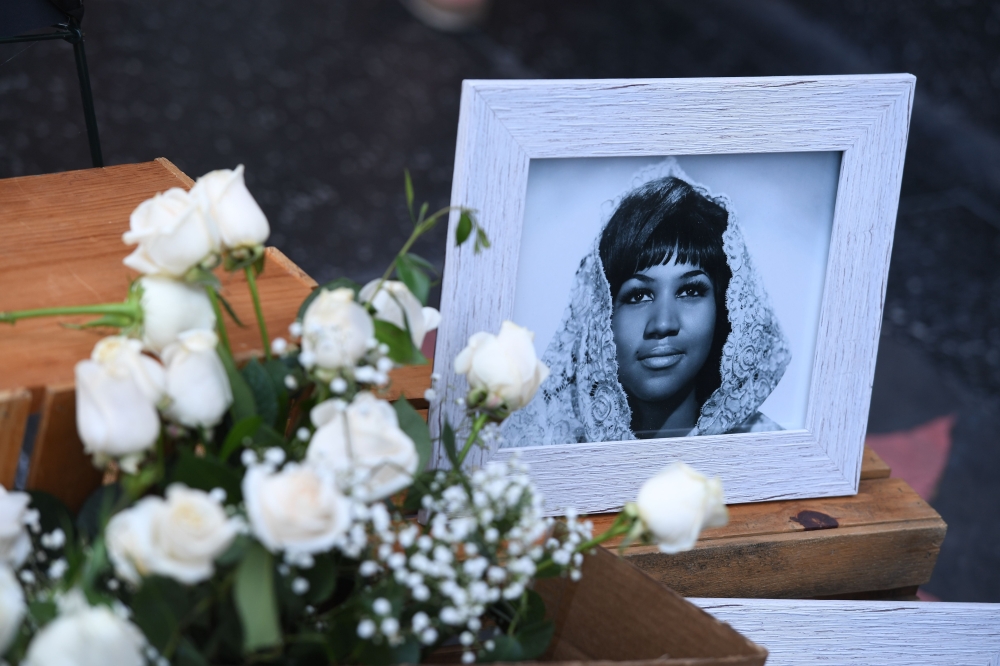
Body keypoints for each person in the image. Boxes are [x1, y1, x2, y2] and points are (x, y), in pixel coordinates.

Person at [501, 159, 791, 447]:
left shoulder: (774, 455)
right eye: (638, 295)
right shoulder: (536, 456)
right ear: (602, 316)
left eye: (689, 291)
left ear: (723, 308)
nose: (663, 324)